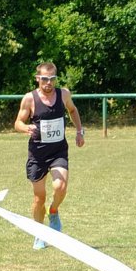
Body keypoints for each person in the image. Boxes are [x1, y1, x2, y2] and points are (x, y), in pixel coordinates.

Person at [14, 62, 85, 249]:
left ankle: (53, 212)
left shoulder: (64, 94)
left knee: (60, 186)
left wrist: (79, 131)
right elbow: (17, 123)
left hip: (58, 150)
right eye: (44, 79)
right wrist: (26, 127)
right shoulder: (29, 99)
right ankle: (39, 234)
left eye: (52, 79)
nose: (48, 83)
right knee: (39, 197)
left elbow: (73, 110)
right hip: (37, 154)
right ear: (38, 78)